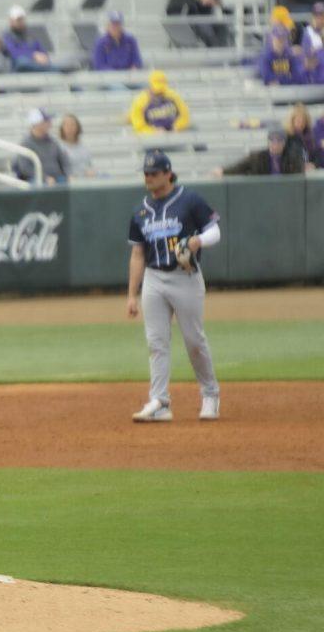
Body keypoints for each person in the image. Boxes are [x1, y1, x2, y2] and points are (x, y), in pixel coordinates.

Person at [126, 149, 221, 422]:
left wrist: (198, 241)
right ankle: (160, 401)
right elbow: (137, 254)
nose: (149, 178)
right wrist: (132, 294)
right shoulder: (140, 211)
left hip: (185, 277)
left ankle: (211, 393)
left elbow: (215, 230)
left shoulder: (189, 199)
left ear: (168, 173)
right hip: (154, 279)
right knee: (156, 342)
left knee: (193, 340)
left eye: (154, 173)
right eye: (146, 173)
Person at [13, 109, 69, 186]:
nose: (50, 123)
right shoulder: (26, 143)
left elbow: (63, 160)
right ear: (37, 124)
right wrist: (44, 178)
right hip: (37, 180)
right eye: (46, 121)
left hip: (57, 178)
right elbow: (25, 168)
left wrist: (68, 174)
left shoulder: (52, 141)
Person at [215, 129, 306, 176]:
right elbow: (239, 167)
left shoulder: (291, 158)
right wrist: (223, 171)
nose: (275, 144)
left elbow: (299, 173)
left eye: (279, 141)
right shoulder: (257, 157)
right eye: (272, 140)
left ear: (284, 143)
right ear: (268, 141)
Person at [2, 5, 53, 72]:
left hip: (34, 64)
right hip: (18, 67)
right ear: (11, 21)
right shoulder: (7, 36)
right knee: (22, 62)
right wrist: (33, 55)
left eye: (22, 19)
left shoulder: (31, 35)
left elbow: (41, 49)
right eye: (18, 20)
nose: (21, 22)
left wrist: (43, 56)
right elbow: (13, 52)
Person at [58, 114, 94, 178]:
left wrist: (91, 172)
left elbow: (89, 165)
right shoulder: (58, 147)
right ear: (62, 128)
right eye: (66, 125)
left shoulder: (84, 147)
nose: (70, 128)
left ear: (77, 127)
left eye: (72, 125)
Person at [284, 102, 318, 167]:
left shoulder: (311, 135)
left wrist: (314, 164)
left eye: (303, 121)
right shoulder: (287, 136)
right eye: (298, 121)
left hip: (310, 170)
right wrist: (301, 165)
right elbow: (285, 159)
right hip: (294, 171)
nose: (301, 124)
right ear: (292, 121)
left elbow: (317, 155)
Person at [300, 2, 324, 83]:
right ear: (313, 17)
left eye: (322, 15)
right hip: (315, 77)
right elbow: (307, 59)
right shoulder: (308, 32)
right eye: (317, 16)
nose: (319, 19)